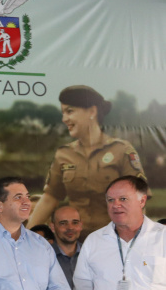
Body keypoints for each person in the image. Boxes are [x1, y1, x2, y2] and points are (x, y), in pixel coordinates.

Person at [28, 85, 145, 238]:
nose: (64, 119)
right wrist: (25, 235)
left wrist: (135, 240)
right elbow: (50, 198)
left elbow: (138, 201)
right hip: (76, 242)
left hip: (114, 239)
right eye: (63, 113)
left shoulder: (122, 150)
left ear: (92, 111)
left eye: (70, 111)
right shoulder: (64, 154)